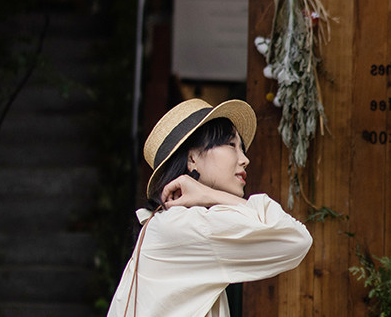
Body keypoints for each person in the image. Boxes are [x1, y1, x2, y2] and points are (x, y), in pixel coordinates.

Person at [107, 98, 313, 317]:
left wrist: (207, 195)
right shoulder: (189, 225)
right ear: (192, 159)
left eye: (242, 148)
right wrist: (209, 194)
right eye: (231, 145)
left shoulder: (168, 223)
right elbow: (296, 239)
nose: (245, 159)